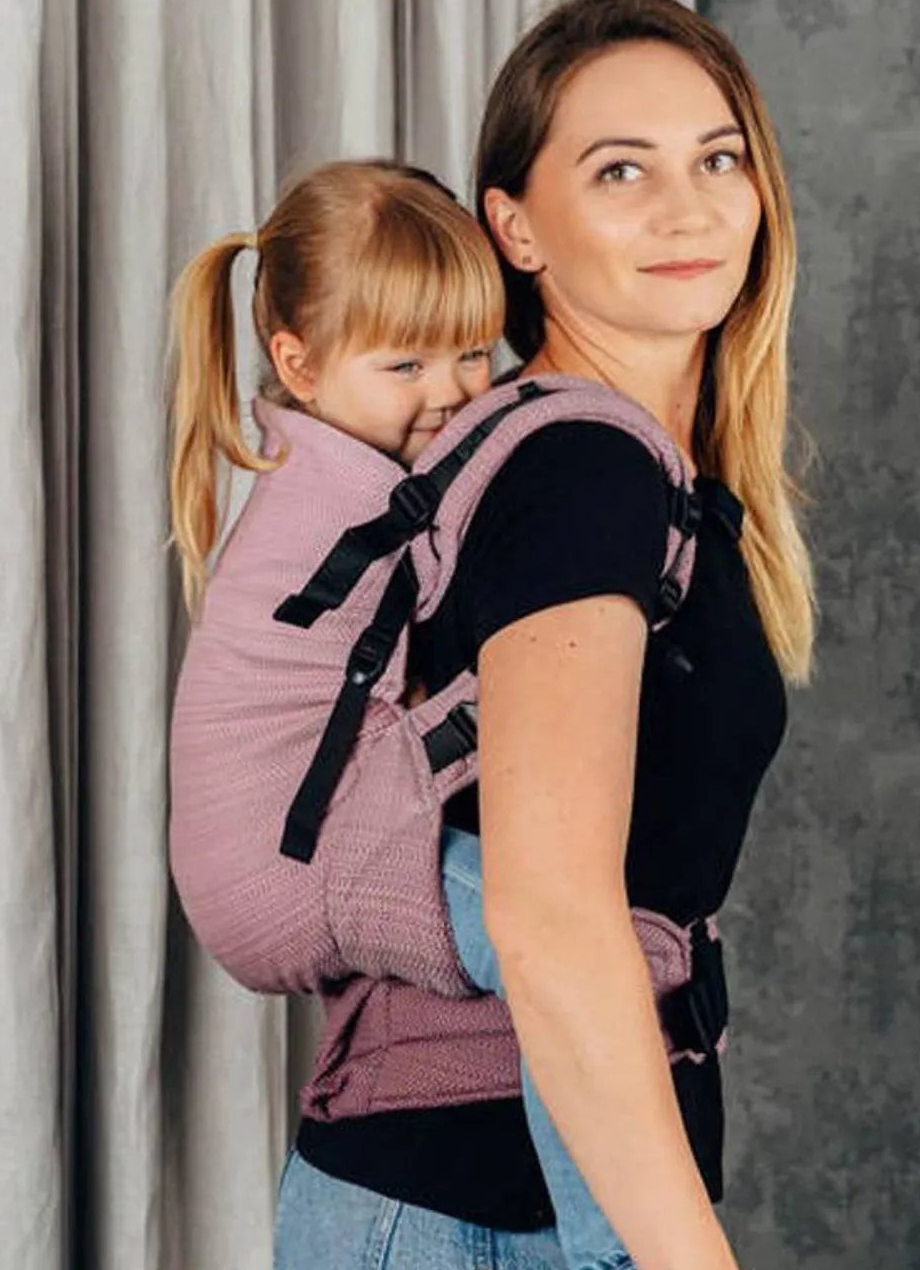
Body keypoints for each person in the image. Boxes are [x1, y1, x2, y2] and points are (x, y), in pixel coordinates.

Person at [272, 0, 817, 1269]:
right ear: (513, 225)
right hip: (471, 1217)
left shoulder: (632, 469)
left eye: (716, 158)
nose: (686, 208)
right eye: (619, 170)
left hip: (495, 1201)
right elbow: (553, 922)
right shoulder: (579, 470)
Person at [167, 157, 691, 1270]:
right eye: (404, 363)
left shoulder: (320, 459)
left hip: (278, 852)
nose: (451, 392)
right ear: (298, 364)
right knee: (587, 960)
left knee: (591, 957)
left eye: (469, 352)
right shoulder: (350, 494)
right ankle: (615, 1249)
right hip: (295, 860)